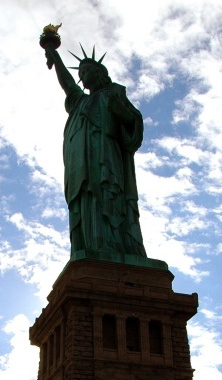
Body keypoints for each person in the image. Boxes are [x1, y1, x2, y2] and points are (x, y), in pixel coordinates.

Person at [44, 45, 147, 257]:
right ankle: (90, 247)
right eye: (80, 73)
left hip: (106, 159)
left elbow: (133, 122)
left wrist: (123, 113)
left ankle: (110, 247)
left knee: (107, 197)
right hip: (79, 165)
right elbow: (67, 83)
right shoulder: (80, 101)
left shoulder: (113, 93)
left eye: (86, 71)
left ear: (100, 73)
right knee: (85, 202)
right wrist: (53, 54)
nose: (82, 76)